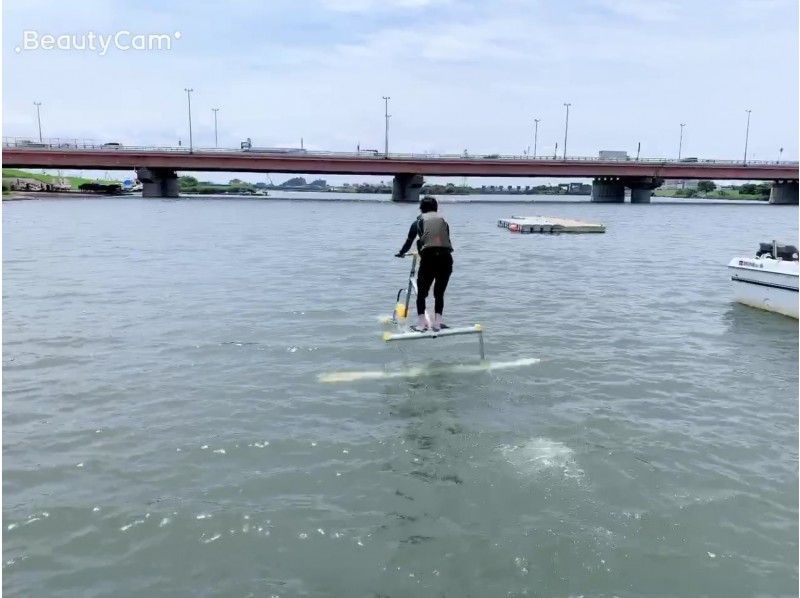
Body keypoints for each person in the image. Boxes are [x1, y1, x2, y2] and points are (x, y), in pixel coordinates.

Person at [395, 195, 453, 331]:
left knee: (421, 294)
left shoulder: (417, 223)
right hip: (446, 260)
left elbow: (409, 242)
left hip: (429, 261)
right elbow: (444, 241)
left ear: (421, 209)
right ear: (436, 208)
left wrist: (401, 253)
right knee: (439, 293)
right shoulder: (444, 223)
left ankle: (422, 324)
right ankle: (438, 323)